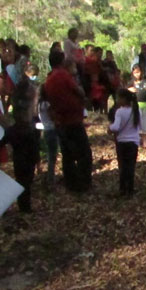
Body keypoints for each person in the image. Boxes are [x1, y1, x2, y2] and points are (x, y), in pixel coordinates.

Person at [43, 52, 92, 193]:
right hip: (72, 119)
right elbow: (78, 90)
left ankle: (71, 184)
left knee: (67, 154)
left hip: (60, 121)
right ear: (62, 61)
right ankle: (83, 183)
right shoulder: (63, 75)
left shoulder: (48, 79)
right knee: (84, 153)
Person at [4, 63, 39, 212]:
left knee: (23, 181)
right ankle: (25, 207)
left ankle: (24, 205)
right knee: (26, 181)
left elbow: (3, 140)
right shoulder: (28, 130)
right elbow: (34, 147)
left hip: (19, 159)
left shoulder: (13, 129)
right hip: (25, 158)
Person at [109, 88, 142, 197]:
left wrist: (109, 128)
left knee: (123, 166)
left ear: (124, 99)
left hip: (122, 142)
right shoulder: (136, 111)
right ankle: (130, 189)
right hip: (133, 142)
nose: (117, 100)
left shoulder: (120, 111)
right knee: (131, 165)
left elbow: (116, 127)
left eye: (118, 98)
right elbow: (140, 126)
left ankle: (123, 189)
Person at [130, 63, 146, 149]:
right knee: (136, 122)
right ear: (132, 73)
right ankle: (136, 140)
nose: (137, 74)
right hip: (136, 105)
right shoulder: (131, 82)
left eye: (138, 72)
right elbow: (125, 88)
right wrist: (130, 90)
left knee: (145, 123)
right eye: (135, 72)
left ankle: (144, 142)